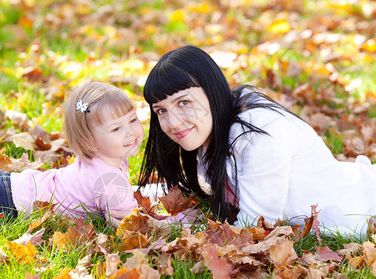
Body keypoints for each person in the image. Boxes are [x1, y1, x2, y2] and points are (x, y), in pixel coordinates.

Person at [138, 45, 376, 236]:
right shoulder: (209, 132)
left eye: (183, 102)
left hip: (361, 205)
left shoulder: (259, 132)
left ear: (211, 91)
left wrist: (170, 230)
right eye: (161, 110)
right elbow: (195, 190)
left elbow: (255, 226)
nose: (173, 122)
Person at [0, 82, 146, 227]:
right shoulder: (109, 179)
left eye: (133, 119)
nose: (131, 131)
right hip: (1, 200)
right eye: (116, 129)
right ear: (89, 140)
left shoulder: (101, 157)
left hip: (1, 181)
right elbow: (131, 222)